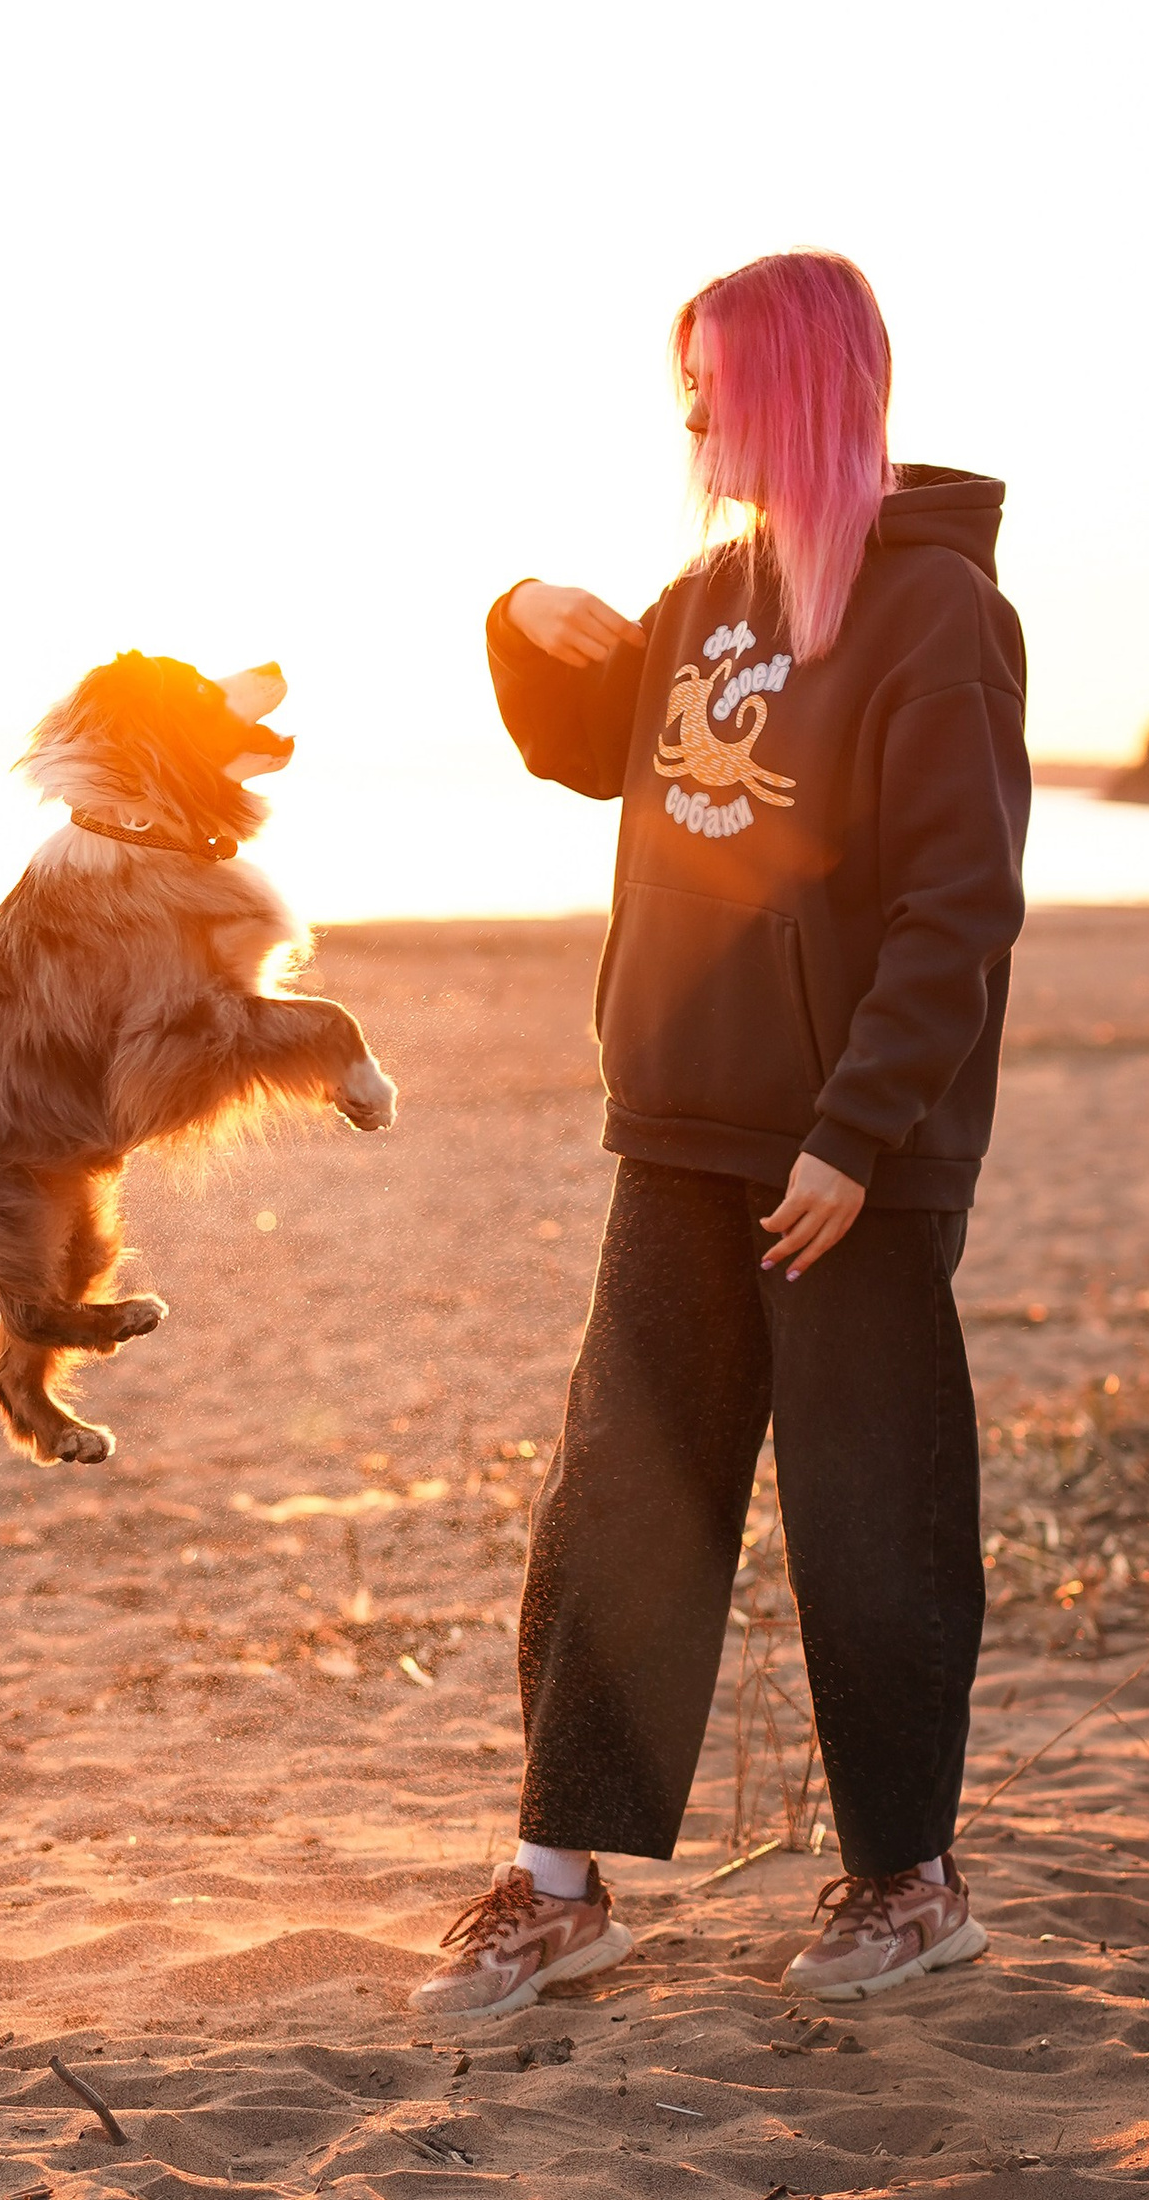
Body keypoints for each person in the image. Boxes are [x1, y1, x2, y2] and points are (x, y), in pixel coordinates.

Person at [413, 248, 1029, 2020]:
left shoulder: (937, 617)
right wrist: (524, 620)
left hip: (849, 1162)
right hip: (678, 1127)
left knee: (871, 1522)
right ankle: (555, 1887)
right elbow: (606, 752)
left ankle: (908, 1882)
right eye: (680, 380)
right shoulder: (707, 595)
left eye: (714, 379)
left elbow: (957, 909)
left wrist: (853, 1135)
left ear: (797, 386)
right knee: (624, 1506)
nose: (687, 413)